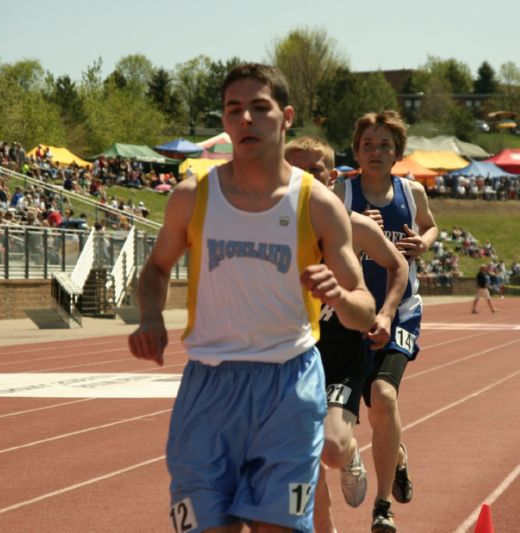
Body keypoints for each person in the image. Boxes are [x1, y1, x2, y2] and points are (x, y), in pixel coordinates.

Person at [128, 63, 375, 533]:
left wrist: (340, 296)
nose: (245, 120)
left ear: (285, 117)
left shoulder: (318, 205)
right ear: (223, 121)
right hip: (210, 388)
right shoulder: (192, 197)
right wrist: (149, 318)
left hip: (288, 386)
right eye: (233, 109)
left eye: (259, 109)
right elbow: (157, 269)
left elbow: (363, 309)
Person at [285, 136, 409, 533]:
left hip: (340, 351)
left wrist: (387, 313)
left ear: (332, 175)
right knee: (303, 457)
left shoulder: (351, 223)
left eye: (313, 169)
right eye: (295, 169)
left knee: (333, 449)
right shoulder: (273, 228)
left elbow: (398, 265)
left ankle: (352, 450)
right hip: (292, 354)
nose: (304, 176)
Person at [335, 110, 438, 533]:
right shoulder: (341, 191)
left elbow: (431, 227)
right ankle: (395, 454)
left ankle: (381, 507)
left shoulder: (411, 193)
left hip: (400, 311)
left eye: (384, 146)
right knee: (373, 414)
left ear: (398, 152)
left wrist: (423, 242)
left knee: (384, 396)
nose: (375, 152)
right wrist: (356, 229)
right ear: (356, 151)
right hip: (351, 315)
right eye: (367, 145)